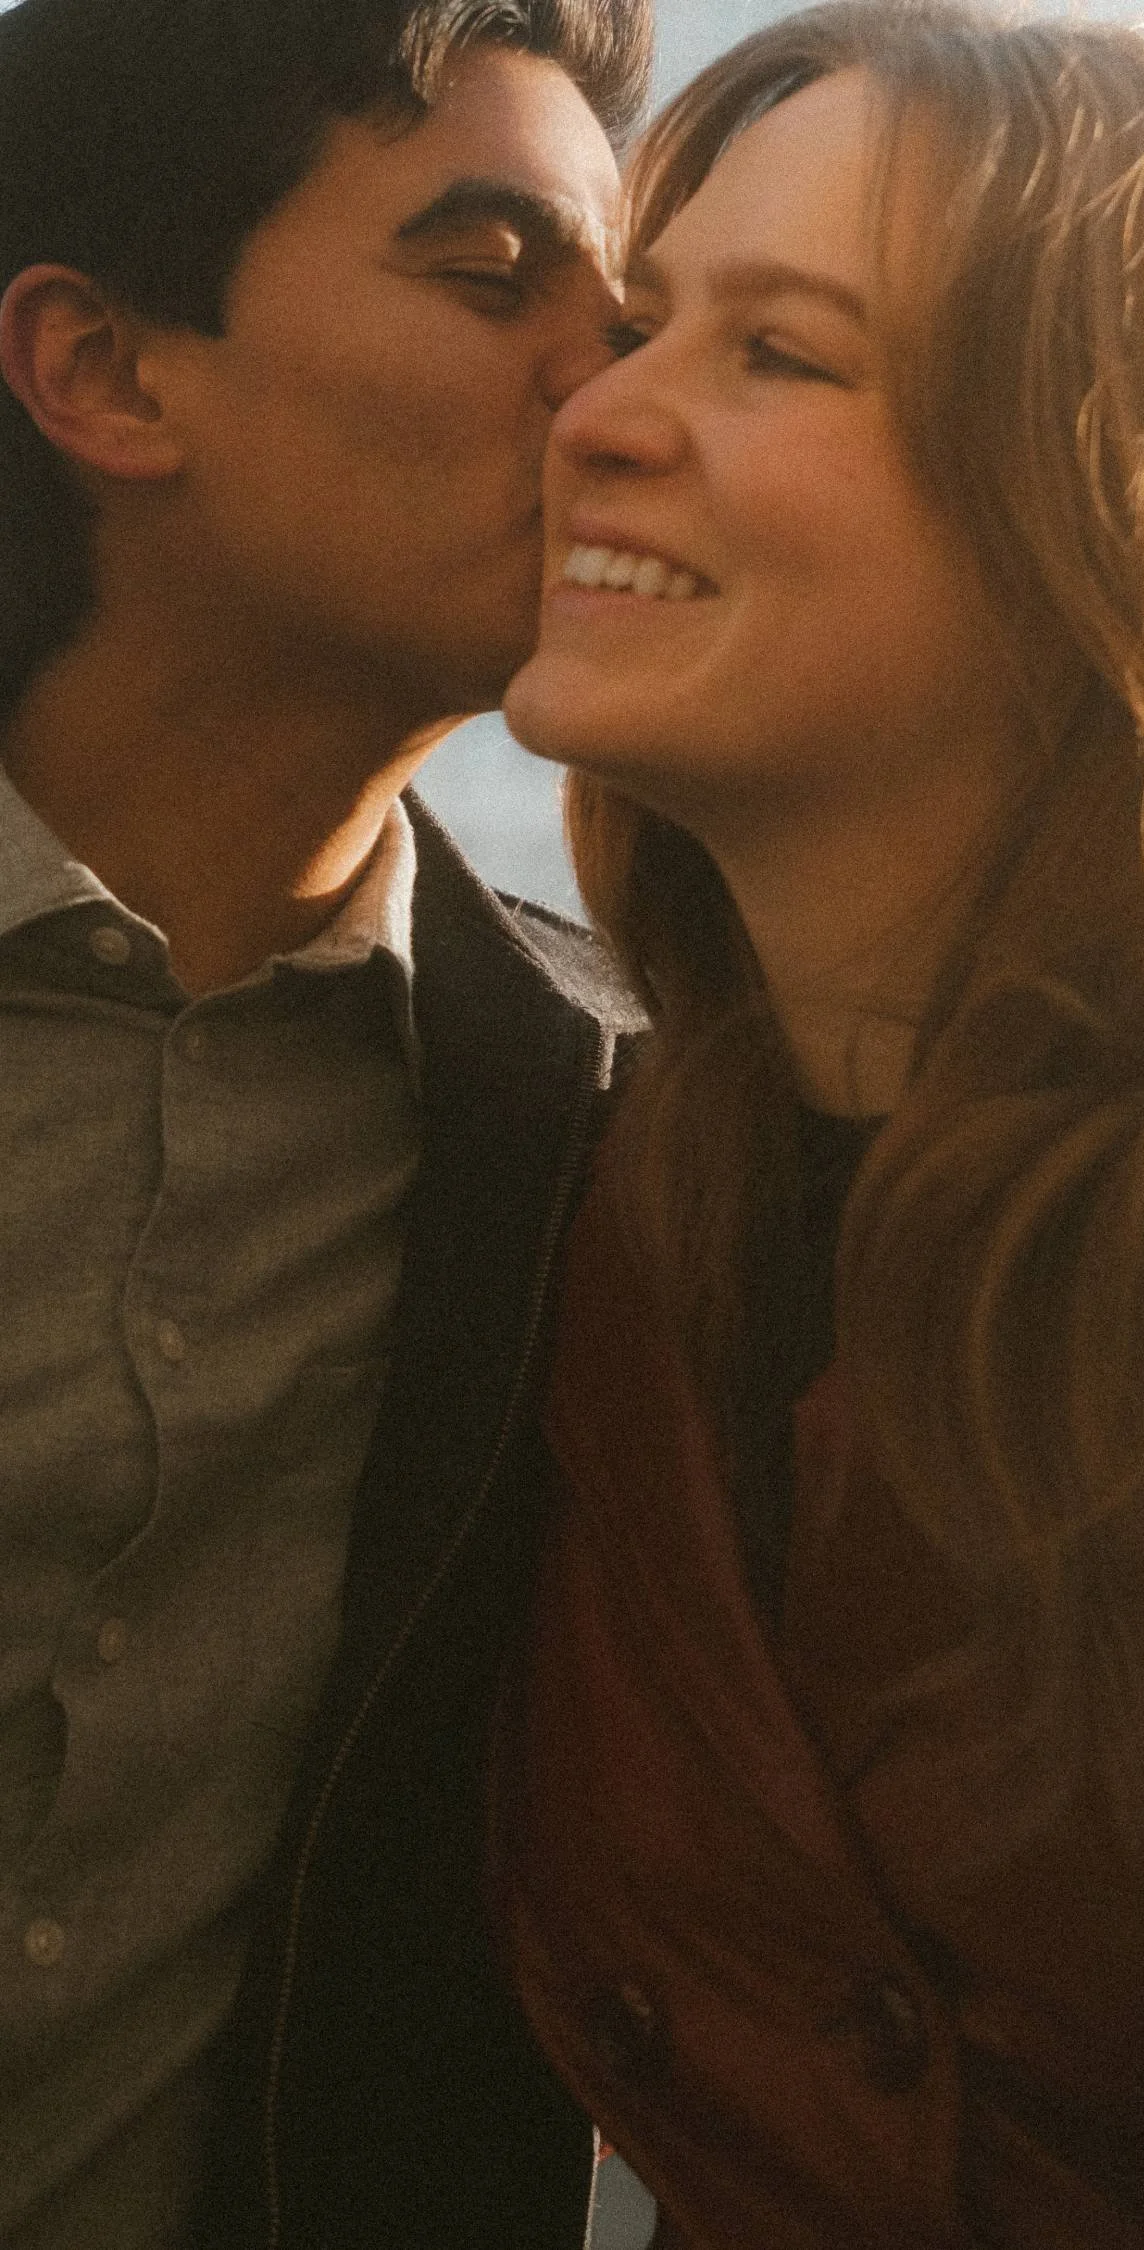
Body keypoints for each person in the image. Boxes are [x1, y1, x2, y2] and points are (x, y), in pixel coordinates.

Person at [492, 6, 1144, 2244]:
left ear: (1118, 506)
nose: (600, 407)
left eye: (781, 356)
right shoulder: (635, 1211)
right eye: (644, 319)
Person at [0, 0, 652, 2243]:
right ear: (103, 371)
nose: (621, 388)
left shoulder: (598, 1145)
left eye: (635, 317)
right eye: (495, 278)